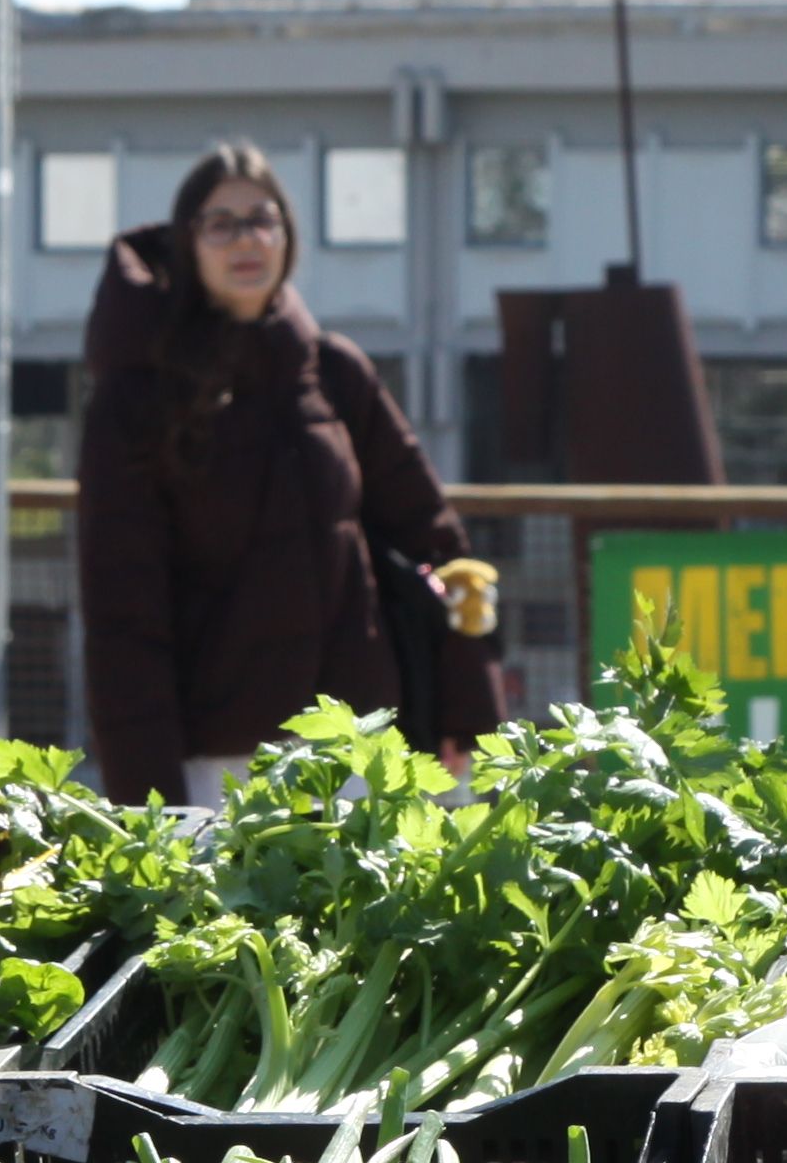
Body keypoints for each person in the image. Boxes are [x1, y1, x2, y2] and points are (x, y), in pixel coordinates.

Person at [77, 140, 501, 806]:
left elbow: (437, 548)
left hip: (360, 742)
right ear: (187, 242)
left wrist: (467, 710)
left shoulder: (335, 373)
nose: (246, 240)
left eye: (263, 219)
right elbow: (123, 619)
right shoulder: (134, 400)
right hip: (216, 760)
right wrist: (147, 799)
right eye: (221, 223)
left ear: (288, 235)